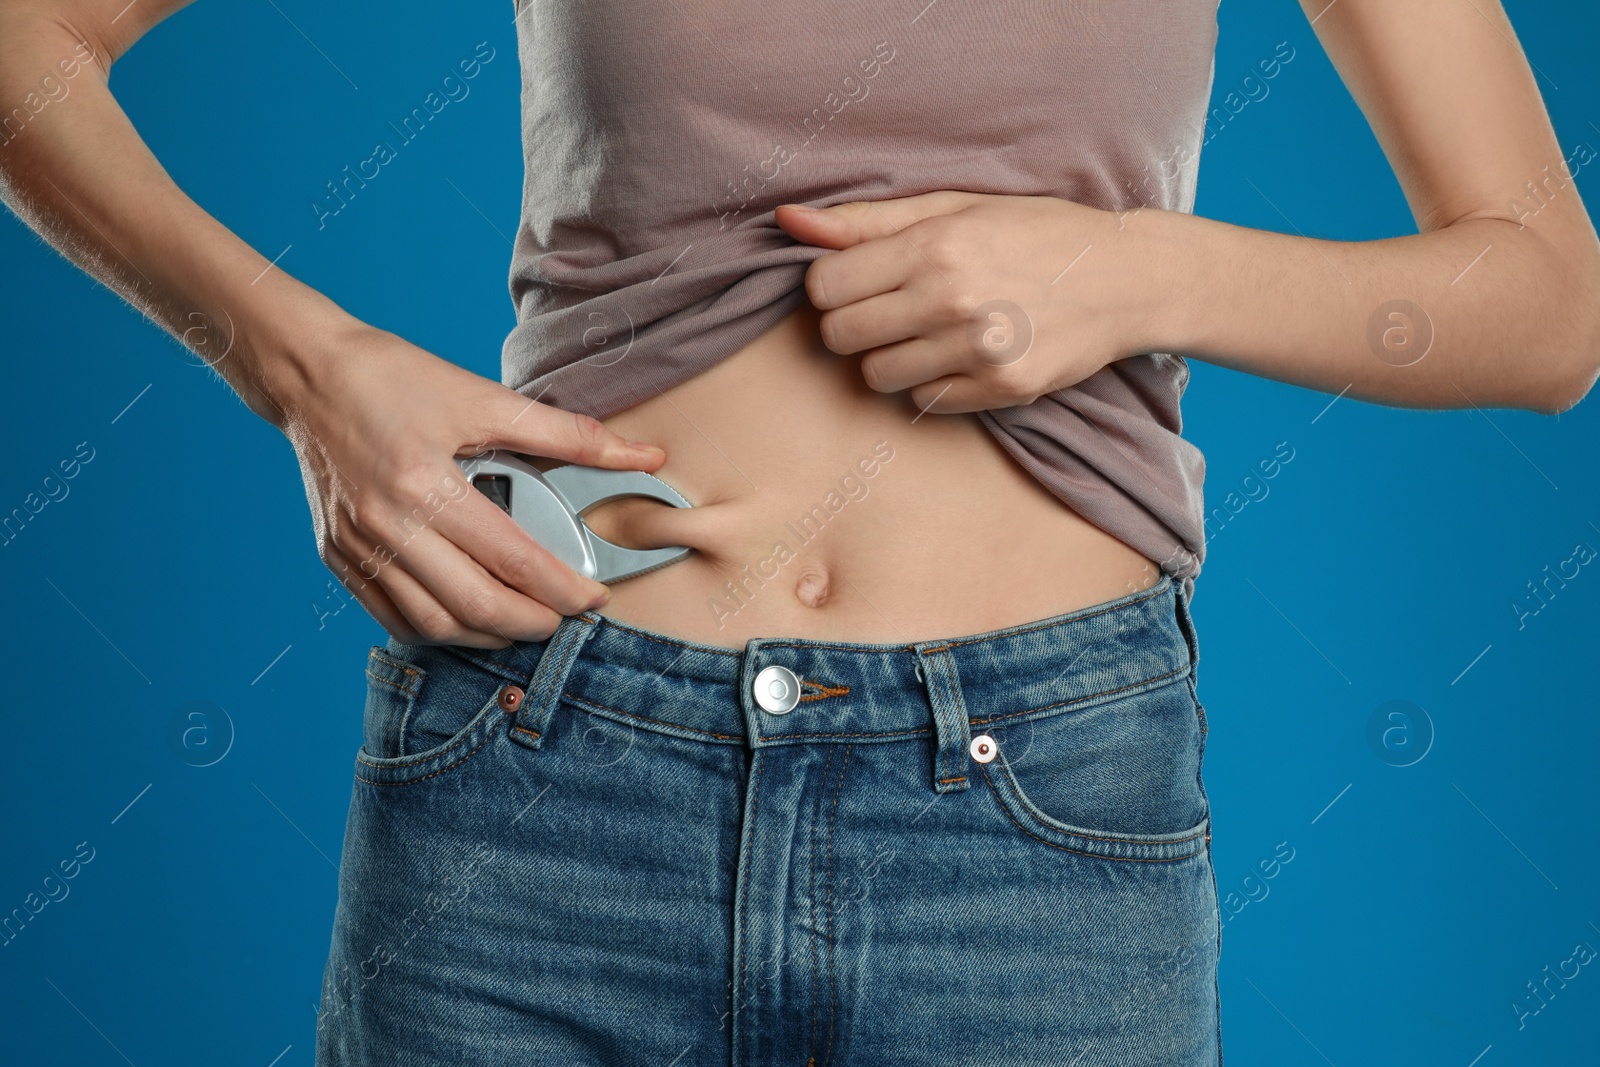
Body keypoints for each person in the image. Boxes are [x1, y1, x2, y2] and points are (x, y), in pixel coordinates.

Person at [2, 0, 1596, 1063]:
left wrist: (1136, 273)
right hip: (545, 774)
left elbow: (1548, 303)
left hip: (1032, 819)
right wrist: (309, 376)